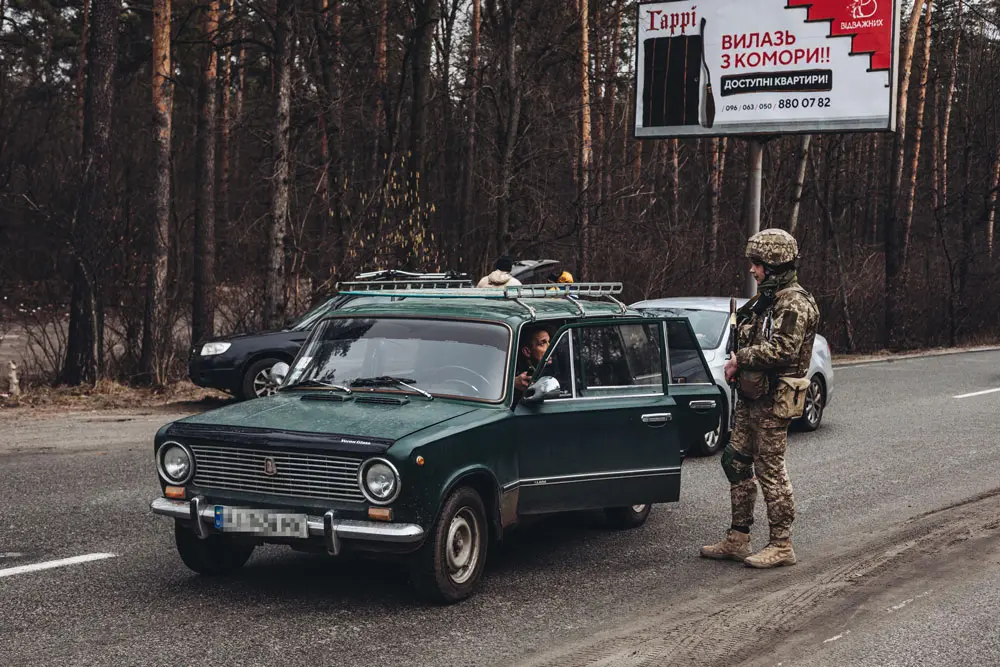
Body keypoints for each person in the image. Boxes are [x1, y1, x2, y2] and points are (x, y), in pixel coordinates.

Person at [700, 228, 819, 569]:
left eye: (757, 264)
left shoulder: (794, 302)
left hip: (773, 398)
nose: (752, 271)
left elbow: (785, 348)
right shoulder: (766, 300)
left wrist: (742, 358)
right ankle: (739, 538)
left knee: (771, 471)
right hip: (751, 396)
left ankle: (782, 544)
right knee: (735, 462)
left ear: (775, 265)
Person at [514, 325, 551, 395]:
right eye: (542, 343)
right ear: (527, 352)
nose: (550, 347)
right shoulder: (512, 369)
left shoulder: (560, 369)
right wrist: (513, 383)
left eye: (549, 342)